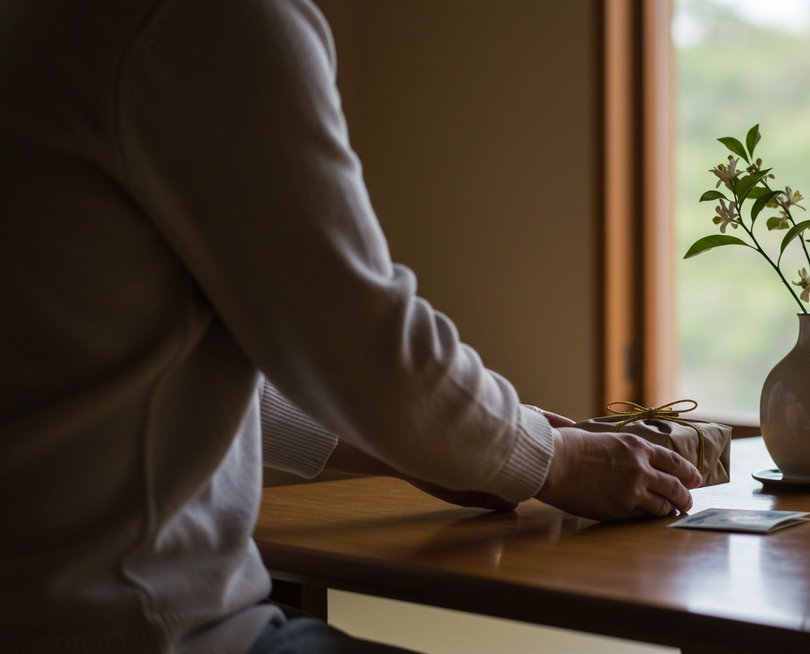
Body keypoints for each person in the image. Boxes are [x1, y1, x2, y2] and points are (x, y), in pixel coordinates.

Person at [0, 0, 702, 652]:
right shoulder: (207, 19)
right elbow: (365, 345)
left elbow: (125, 365)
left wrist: (415, 449)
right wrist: (558, 458)